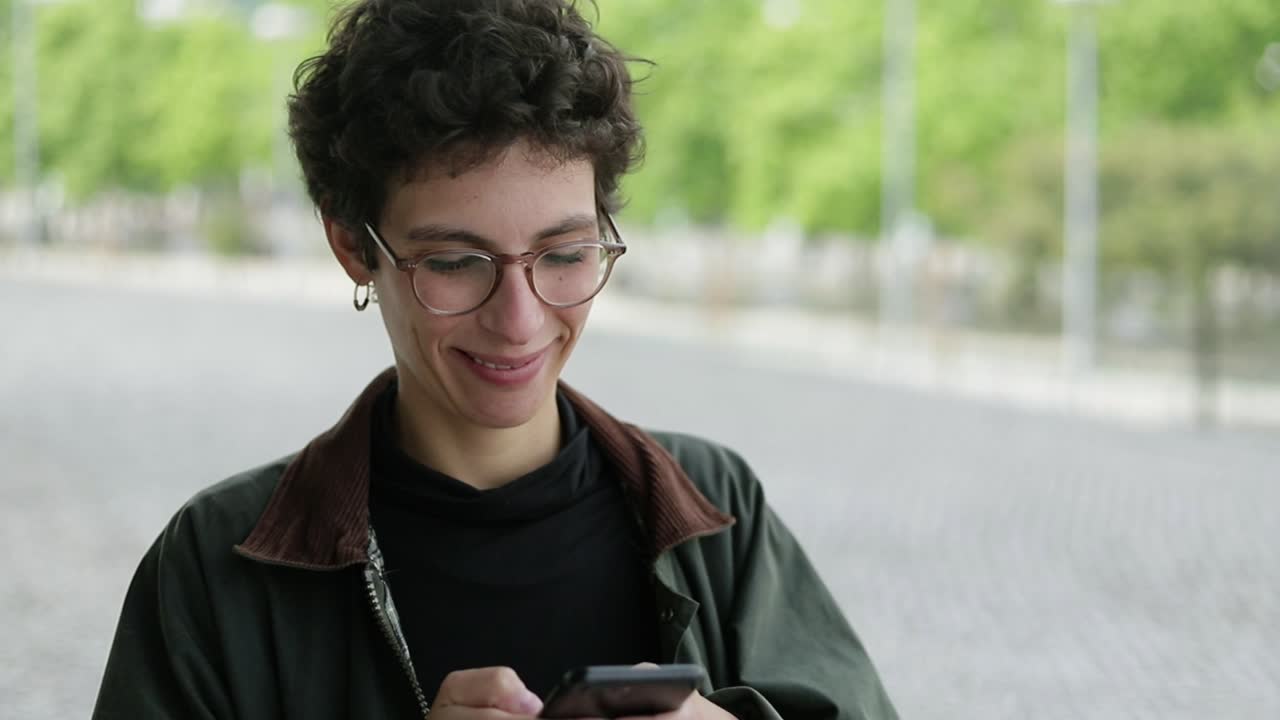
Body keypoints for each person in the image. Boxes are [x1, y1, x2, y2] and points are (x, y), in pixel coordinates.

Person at [92, 1, 898, 719]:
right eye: (454, 262)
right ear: (351, 245)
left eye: (566, 253)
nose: (520, 320)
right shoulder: (217, 568)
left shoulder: (716, 514)